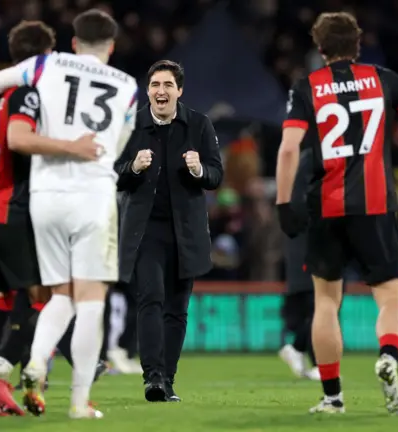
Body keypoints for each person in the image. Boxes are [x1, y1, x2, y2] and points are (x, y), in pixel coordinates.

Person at [0, 9, 138, 419]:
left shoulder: (46, 64)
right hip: (93, 196)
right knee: (91, 301)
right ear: (112, 47)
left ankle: (28, 364)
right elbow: (117, 146)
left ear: (75, 42)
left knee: (58, 295)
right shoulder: (129, 86)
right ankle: (79, 403)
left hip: (44, 197)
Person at [275, 12, 398, 415]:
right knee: (389, 296)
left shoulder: (308, 86)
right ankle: (388, 355)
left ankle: (332, 397)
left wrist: (283, 203)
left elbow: (288, 148)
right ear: (358, 45)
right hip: (376, 204)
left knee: (327, 302)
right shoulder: (385, 79)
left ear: (320, 49)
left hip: (326, 207)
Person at [115, 60, 223, 402]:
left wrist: (199, 170)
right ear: (147, 91)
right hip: (145, 230)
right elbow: (113, 173)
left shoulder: (199, 125)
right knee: (150, 298)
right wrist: (132, 167)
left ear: (179, 90)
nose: (160, 91)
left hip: (186, 231)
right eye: (154, 85)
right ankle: (153, 378)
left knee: (177, 308)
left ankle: (168, 380)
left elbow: (217, 175)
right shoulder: (131, 124)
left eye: (167, 85)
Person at [278, 148, 319, 381]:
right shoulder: (312, 160)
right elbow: (300, 204)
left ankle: (297, 348)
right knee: (322, 304)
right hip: (311, 245)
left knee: (323, 305)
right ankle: (318, 362)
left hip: (315, 243)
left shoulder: (310, 158)